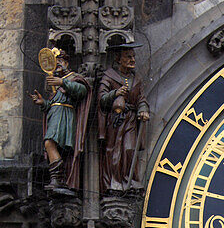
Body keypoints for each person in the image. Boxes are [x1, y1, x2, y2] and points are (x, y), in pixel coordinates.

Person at [30, 48, 91, 190]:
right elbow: (52, 104)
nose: (57, 66)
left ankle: (58, 178)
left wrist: (62, 83)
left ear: (66, 62)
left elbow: (82, 91)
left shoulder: (73, 78)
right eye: (55, 64)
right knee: (52, 145)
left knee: (49, 143)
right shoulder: (55, 85)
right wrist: (42, 103)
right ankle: (58, 179)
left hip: (65, 116)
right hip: (55, 115)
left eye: (60, 62)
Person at [98, 43, 150, 192]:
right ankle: (114, 182)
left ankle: (129, 180)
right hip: (116, 120)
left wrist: (143, 109)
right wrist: (115, 93)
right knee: (114, 151)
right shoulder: (109, 76)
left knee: (129, 148)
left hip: (131, 120)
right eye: (128, 57)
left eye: (133, 56)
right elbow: (101, 98)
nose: (132, 59)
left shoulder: (136, 79)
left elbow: (141, 99)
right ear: (118, 59)